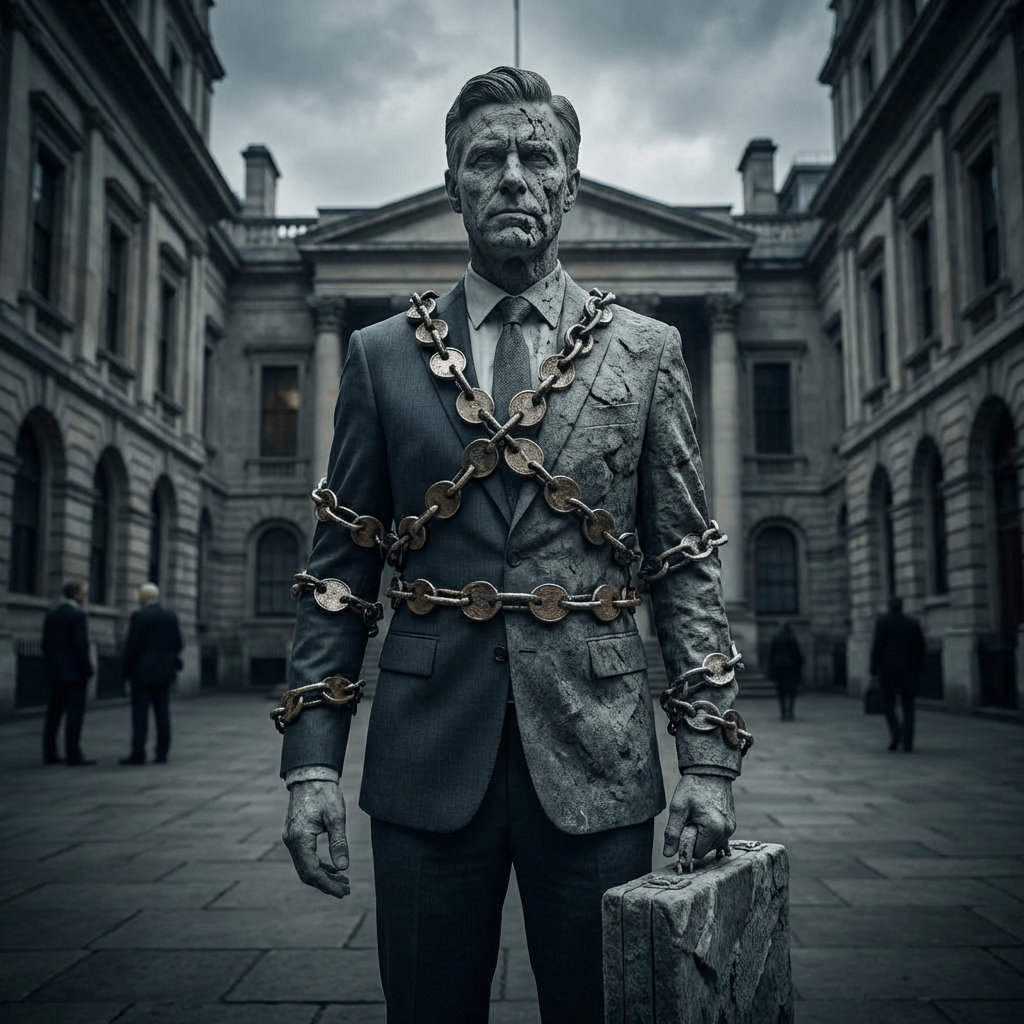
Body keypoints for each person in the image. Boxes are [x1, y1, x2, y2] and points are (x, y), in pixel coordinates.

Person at [277, 67, 747, 1024]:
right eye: (486, 158)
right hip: (423, 756)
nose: (514, 177)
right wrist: (313, 767)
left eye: (538, 156)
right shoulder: (378, 356)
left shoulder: (648, 351)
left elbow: (686, 562)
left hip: (600, 754)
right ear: (452, 182)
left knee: (600, 1008)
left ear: (572, 182)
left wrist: (706, 763)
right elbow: (338, 575)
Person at [120, 583, 183, 765]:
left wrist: (126, 673)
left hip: (141, 673)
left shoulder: (139, 616)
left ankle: (138, 753)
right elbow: (178, 644)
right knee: (162, 713)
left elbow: (131, 647)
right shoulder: (170, 616)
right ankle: (162, 754)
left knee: (139, 715)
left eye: (139, 594)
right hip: (164, 673)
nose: (137, 596)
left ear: (144, 596)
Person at [41, 581, 95, 766]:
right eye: (83, 592)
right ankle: (73, 754)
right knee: (74, 714)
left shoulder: (52, 614)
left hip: (54, 672)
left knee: (53, 714)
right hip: (74, 673)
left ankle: (50, 753)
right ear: (77, 594)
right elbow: (80, 645)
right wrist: (87, 669)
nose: (85, 595)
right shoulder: (78, 615)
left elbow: (45, 644)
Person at [870, 595, 925, 752]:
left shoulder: (882, 623)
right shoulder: (912, 623)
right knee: (908, 707)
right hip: (908, 671)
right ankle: (908, 741)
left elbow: (877, 648)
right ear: (902, 607)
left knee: (889, 706)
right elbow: (921, 647)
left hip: (888, 672)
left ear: (889, 607)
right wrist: (919, 667)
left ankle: (895, 735)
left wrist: (873, 668)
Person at [768, 621, 803, 721]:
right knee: (791, 691)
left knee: (781, 692)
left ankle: (783, 713)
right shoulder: (792, 638)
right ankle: (790, 712)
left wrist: (771, 670)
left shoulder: (776, 638)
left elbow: (771, 655)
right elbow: (797, 655)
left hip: (779, 667)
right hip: (790, 668)